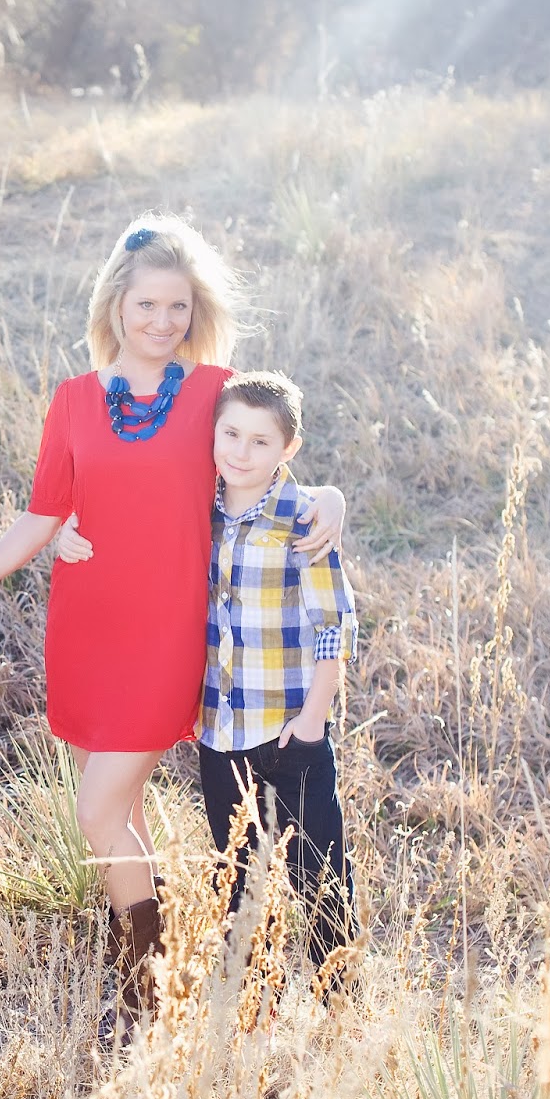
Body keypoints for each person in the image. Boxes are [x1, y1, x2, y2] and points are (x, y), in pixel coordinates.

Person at [0, 215, 344, 1042]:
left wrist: (329, 497)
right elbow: (43, 513)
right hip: (86, 630)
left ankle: (143, 991)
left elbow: (267, 451)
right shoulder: (74, 401)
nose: (162, 321)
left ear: (195, 313)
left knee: (95, 812)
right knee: (122, 812)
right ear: (115, 304)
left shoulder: (212, 391)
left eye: (178, 307)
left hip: (168, 636)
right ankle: (157, 968)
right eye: (147, 304)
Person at [198, 371, 358, 992]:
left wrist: (313, 721)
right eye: (231, 434)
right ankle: (252, 1010)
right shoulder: (199, 506)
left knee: (320, 878)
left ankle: (339, 1006)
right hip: (221, 733)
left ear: (289, 448)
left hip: (290, 732)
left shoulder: (302, 518)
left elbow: (333, 625)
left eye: (261, 441)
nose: (241, 452)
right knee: (238, 881)